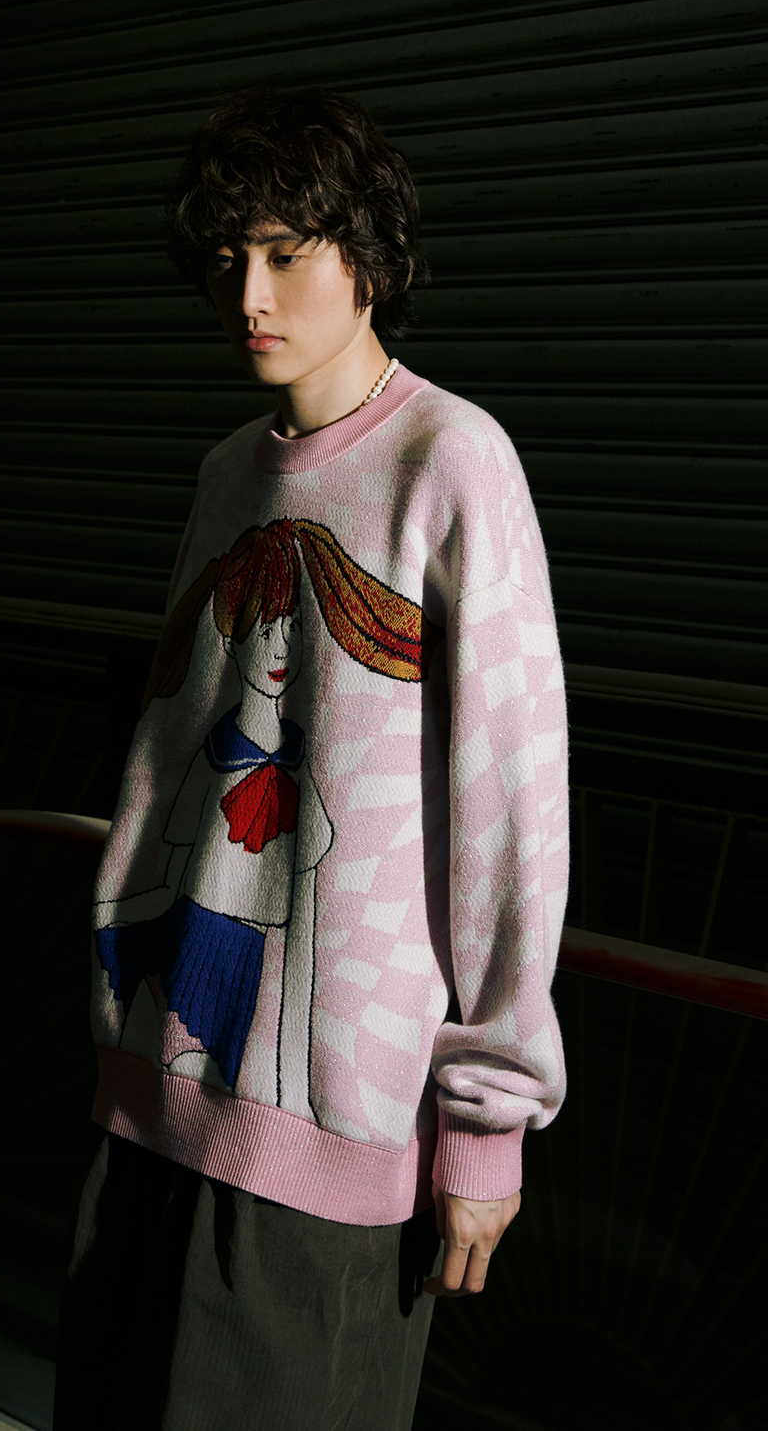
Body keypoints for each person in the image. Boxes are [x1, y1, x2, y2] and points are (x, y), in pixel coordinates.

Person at [53, 85, 568, 1431]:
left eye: (287, 254)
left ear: (369, 259)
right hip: (155, 1082)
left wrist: (487, 1121)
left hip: (333, 1125)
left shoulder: (453, 462)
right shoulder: (229, 472)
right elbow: (166, 751)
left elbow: (511, 811)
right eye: (230, 259)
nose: (250, 296)